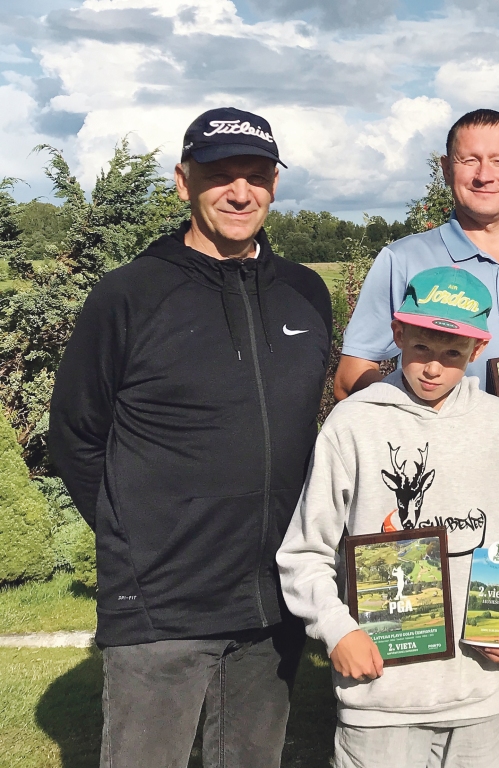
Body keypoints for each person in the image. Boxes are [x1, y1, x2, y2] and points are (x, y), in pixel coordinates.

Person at [48, 107, 332, 768]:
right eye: (220, 175)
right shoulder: (129, 295)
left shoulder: (304, 293)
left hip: (273, 602)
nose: (240, 192)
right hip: (162, 605)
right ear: (183, 182)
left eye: (256, 175)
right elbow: (77, 435)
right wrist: (136, 535)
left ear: (274, 185)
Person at [334, 108, 499, 767]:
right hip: (418, 510)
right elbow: (352, 373)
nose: (484, 173)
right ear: (448, 169)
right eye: (468, 160)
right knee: (411, 680)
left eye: (498, 160)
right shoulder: (404, 260)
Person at [277, 266, 499, 768]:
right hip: (378, 697)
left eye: (452, 354)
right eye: (421, 348)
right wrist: (339, 630)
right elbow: (304, 551)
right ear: (398, 334)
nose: (432, 368)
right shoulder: (354, 422)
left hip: (478, 693)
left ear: (478, 348)